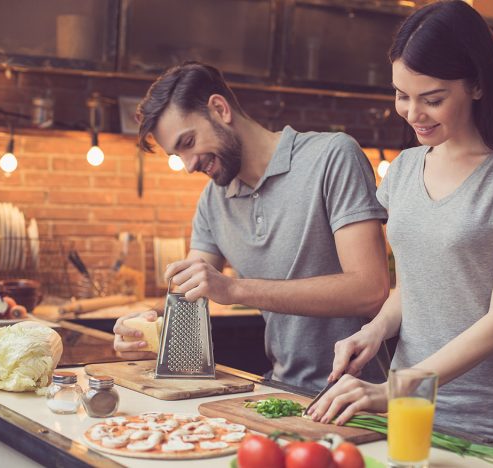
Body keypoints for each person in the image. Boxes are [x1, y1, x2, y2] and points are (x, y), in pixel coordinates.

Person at [307, 0, 493, 449]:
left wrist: (393, 390)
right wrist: (373, 330)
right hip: (408, 415)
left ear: (476, 85)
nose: (414, 113)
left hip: (488, 424)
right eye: (401, 95)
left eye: (432, 99)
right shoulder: (404, 169)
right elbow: (415, 286)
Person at [112, 62, 391, 392]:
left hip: (359, 395)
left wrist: (234, 289)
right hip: (280, 390)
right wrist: (145, 325)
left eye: (188, 142)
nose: (188, 166)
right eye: (177, 154)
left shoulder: (331, 156)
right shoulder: (212, 202)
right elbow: (186, 294)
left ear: (220, 109)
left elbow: (370, 291)